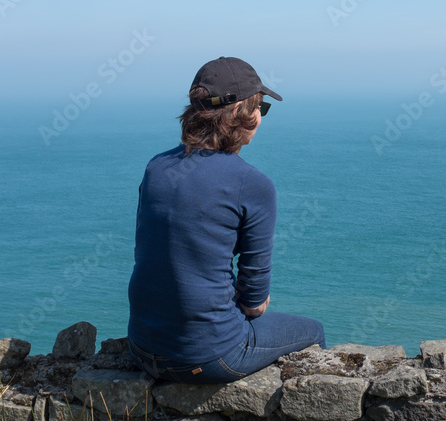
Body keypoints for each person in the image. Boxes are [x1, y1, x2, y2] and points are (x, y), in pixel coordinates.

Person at [127, 56, 326, 383]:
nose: (261, 117)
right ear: (236, 113)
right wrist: (248, 300)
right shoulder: (253, 185)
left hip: (143, 348)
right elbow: (254, 306)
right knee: (314, 331)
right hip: (208, 357)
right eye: (259, 107)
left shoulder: (156, 169)